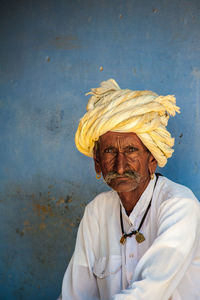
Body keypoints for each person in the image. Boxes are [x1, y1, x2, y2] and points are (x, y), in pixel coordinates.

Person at [58, 79, 200, 300]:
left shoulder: (180, 205)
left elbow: (150, 292)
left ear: (152, 159)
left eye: (131, 150)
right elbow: (75, 295)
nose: (120, 166)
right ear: (97, 162)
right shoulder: (96, 211)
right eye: (109, 152)